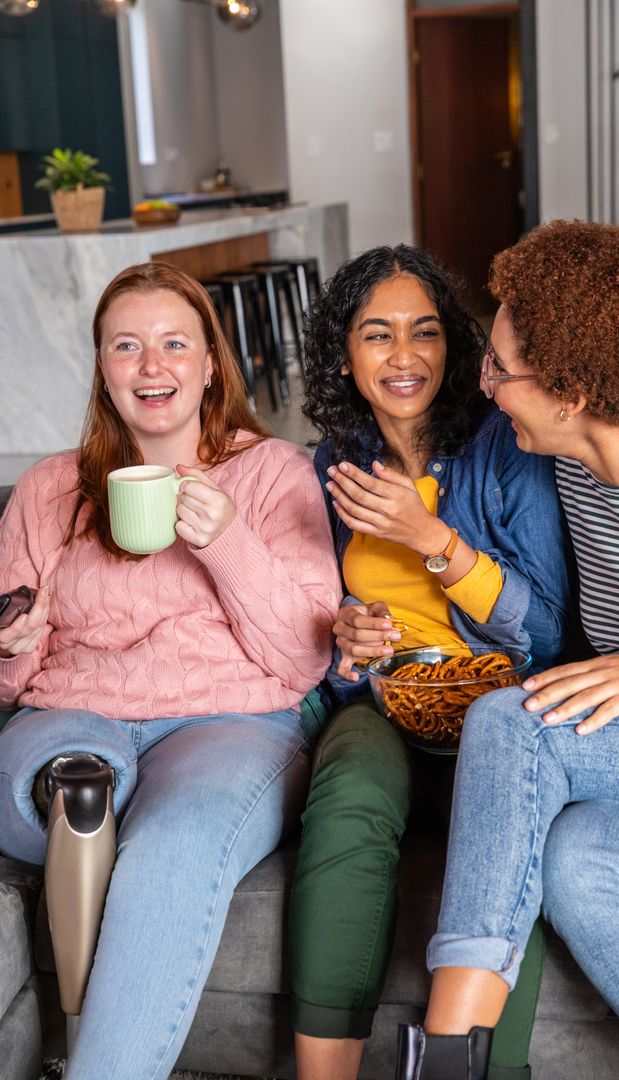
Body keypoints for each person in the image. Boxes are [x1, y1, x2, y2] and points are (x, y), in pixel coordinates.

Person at [0, 261, 341, 1080]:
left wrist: (225, 539)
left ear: (211, 364)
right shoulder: (49, 491)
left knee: (172, 846)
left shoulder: (272, 474)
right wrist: (9, 649)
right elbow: (11, 675)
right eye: (127, 346)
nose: (152, 366)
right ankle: (82, 799)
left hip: (228, 724)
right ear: (104, 369)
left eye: (173, 344)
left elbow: (303, 656)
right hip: (73, 717)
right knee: (75, 783)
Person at [398, 219, 619, 1080]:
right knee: (580, 861)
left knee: (517, 722)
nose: (485, 382)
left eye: (501, 367)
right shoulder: (564, 467)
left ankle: (446, 1061)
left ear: (571, 392)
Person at [287, 244, 576, 1080]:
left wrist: (435, 542)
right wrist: (347, 639)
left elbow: (548, 631)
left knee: (507, 838)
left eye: (425, 333)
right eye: (377, 335)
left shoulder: (505, 449)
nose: (404, 357)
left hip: (500, 710)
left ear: (454, 344)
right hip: (386, 703)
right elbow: (330, 623)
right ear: (344, 352)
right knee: (345, 796)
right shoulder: (334, 462)